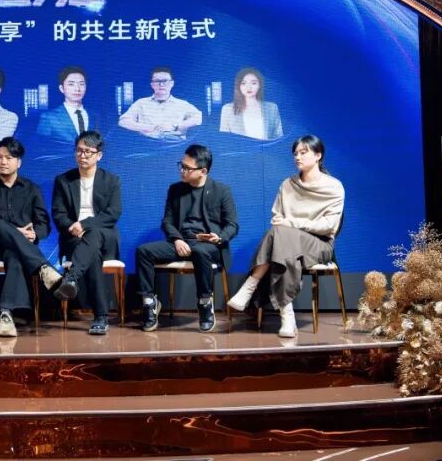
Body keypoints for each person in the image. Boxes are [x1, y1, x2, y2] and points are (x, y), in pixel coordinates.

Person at [227, 134, 344, 338]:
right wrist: (287, 225)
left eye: (303, 152)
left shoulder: (333, 186)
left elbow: (328, 226)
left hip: (319, 244)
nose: (298, 157)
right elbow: (277, 217)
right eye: (295, 153)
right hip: (286, 244)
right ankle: (286, 315)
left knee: (280, 236)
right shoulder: (288, 184)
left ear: (318, 155)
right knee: (282, 240)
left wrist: (292, 224)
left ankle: (252, 285)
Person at [134, 144, 238, 333]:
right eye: (181, 165)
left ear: (203, 171)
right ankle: (149, 303)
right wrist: (177, 239)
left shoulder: (221, 190)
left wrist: (219, 237)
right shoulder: (175, 190)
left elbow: (232, 225)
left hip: (209, 245)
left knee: (200, 251)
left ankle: (205, 303)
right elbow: (167, 221)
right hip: (182, 242)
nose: (181, 170)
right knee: (143, 251)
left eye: (187, 168)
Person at [0, 137, 75, 337]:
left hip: (21, 249)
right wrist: (17, 232)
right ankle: (44, 268)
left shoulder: (32, 189)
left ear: (19, 162)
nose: (3, 162)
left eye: (9, 158)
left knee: (14, 256)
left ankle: (6, 314)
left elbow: (43, 224)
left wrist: (34, 233)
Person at [51, 130, 122, 335]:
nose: (82, 155)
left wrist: (85, 225)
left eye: (88, 152)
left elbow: (113, 213)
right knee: (92, 254)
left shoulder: (111, 180)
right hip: (74, 238)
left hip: (105, 237)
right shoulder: (63, 180)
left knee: (94, 234)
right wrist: (74, 228)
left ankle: (72, 277)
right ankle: (100, 316)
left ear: (99, 155)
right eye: (79, 151)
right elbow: (58, 214)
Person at [118, 67, 202, 140]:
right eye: (157, 81)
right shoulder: (141, 103)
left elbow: (198, 117)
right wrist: (149, 128)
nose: (161, 84)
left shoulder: (182, 104)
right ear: (152, 85)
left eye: (165, 81)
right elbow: (123, 121)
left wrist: (175, 126)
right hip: (146, 143)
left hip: (176, 144)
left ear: (172, 83)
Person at [219, 67, 283, 141]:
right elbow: (224, 140)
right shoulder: (227, 109)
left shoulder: (272, 108)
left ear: (259, 85)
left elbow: (279, 138)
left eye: (253, 83)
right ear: (239, 86)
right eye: (243, 83)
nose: (249, 87)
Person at [36, 66, 94, 143]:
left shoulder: (95, 115)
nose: (77, 89)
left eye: (81, 84)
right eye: (71, 84)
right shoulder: (49, 117)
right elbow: (41, 146)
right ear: (61, 88)